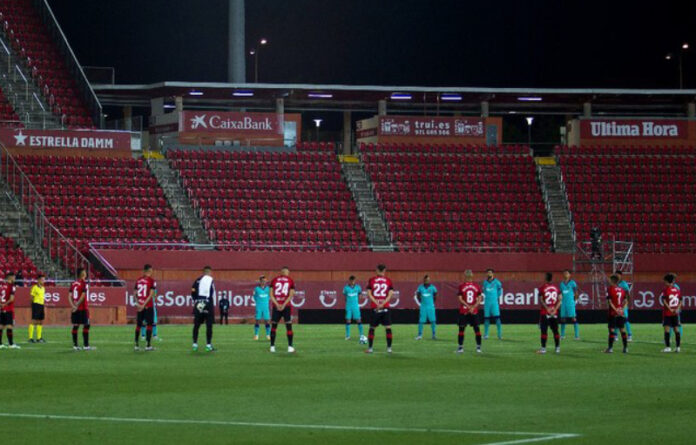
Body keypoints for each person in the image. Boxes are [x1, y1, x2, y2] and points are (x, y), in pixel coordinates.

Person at [365, 264, 394, 354]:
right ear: (384, 270)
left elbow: (369, 294)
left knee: (372, 328)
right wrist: (383, 303)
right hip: (385, 307)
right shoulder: (389, 281)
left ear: (377, 270)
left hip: (375, 307)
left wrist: (377, 303)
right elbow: (390, 294)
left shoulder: (372, 280)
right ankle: (389, 348)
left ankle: (370, 348)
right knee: (388, 328)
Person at [269, 267, 295, 353]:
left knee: (274, 326)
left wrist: (277, 304)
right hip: (286, 306)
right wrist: (283, 304)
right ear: (287, 272)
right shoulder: (290, 280)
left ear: (281, 272)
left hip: (276, 306)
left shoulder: (274, 280)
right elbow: (291, 295)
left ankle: (272, 347)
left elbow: (271, 294)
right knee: (288, 326)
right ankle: (290, 347)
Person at [456, 270, 483, 353]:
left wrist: (468, 307)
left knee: (461, 329)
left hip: (464, 310)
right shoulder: (476, 286)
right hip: (473, 311)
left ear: (465, 276)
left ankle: (460, 348)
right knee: (476, 329)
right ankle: (478, 348)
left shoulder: (461, 286)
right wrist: (473, 307)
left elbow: (460, 299)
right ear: (472, 276)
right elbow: (480, 299)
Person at [191, 266, 215, 352]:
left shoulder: (197, 280)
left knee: (197, 324)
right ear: (210, 272)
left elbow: (193, 290)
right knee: (209, 325)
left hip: (199, 303)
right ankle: (208, 345)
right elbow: (212, 293)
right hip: (207, 303)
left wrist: (196, 300)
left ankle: (194, 344)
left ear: (203, 272)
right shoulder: (210, 279)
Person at [537, 272, 561, 354]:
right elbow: (560, 299)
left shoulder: (542, 288)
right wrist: (555, 309)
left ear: (546, 278)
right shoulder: (556, 288)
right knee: (555, 331)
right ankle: (557, 348)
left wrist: (547, 308)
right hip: (554, 313)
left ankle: (543, 349)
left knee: (544, 331)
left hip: (545, 312)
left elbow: (541, 300)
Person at [134, 264, 156, 351]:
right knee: (149, 324)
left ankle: (136, 345)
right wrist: (144, 305)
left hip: (140, 305)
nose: (152, 272)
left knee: (138, 325)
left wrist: (138, 303)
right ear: (149, 271)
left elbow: (134, 293)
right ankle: (148, 345)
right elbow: (151, 294)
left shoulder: (138, 280)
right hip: (148, 306)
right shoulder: (151, 281)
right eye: (151, 271)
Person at [605, 275, 629, 354]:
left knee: (611, 330)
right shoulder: (622, 290)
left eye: (610, 280)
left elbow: (610, 302)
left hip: (613, 313)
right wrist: (621, 309)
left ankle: (610, 348)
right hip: (620, 312)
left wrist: (615, 310)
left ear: (612, 281)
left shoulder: (610, 289)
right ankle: (625, 348)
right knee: (622, 329)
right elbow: (625, 301)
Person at [70, 268, 91, 351]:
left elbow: (69, 296)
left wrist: (73, 306)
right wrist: (77, 305)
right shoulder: (83, 283)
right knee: (87, 325)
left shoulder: (73, 283)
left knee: (76, 325)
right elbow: (83, 295)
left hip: (75, 308)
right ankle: (86, 346)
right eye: (85, 272)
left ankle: (75, 346)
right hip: (82, 308)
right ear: (82, 274)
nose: (86, 273)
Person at [660, 273, 682, 353]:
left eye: (665, 281)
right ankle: (678, 347)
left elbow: (664, 301)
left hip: (668, 313)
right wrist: (677, 309)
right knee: (676, 329)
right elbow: (680, 300)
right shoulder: (677, 289)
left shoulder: (666, 290)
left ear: (667, 281)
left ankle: (668, 347)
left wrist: (670, 309)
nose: (664, 283)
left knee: (667, 330)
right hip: (675, 313)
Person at [481, 269, 503, 340]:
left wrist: (496, 297)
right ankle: (486, 335)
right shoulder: (485, 283)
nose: (489, 274)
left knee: (497, 318)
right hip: (487, 302)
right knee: (486, 319)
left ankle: (499, 335)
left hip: (494, 303)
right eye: (488, 273)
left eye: (490, 272)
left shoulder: (497, 282)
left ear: (493, 274)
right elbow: (484, 291)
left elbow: (500, 291)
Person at [0, 272, 19, 349]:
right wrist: (5, 304)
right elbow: (11, 299)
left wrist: (1, 304)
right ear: (10, 277)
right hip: (8, 309)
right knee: (9, 326)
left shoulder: (1, 286)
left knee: (1, 326)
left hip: (1, 309)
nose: (15, 278)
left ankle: (0, 344)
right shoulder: (12, 286)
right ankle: (11, 344)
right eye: (14, 277)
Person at [415, 275, 437, 340]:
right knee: (421, 321)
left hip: (431, 307)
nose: (427, 280)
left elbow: (435, 295)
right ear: (424, 280)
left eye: (428, 279)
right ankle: (419, 335)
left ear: (429, 280)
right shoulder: (420, 287)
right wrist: (421, 302)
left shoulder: (433, 287)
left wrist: (432, 303)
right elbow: (418, 295)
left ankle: (434, 335)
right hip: (423, 307)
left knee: (433, 321)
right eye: (426, 279)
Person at [559, 269, 580, 340]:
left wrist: (576, 300)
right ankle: (562, 335)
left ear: (569, 275)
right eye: (564, 273)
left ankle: (577, 336)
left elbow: (576, 292)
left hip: (570, 302)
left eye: (567, 273)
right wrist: (560, 300)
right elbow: (560, 293)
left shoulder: (572, 283)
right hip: (563, 303)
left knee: (573, 318)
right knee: (563, 319)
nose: (565, 274)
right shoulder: (561, 284)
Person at [343, 275, 364, 340]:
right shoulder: (346, 288)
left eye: (353, 281)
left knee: (358, 320)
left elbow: (360, 294)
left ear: (355, 281)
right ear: (349, 280)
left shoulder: (358, 287)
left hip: (355, 306)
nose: (352, 282)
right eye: (351, 281)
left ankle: (361, 335)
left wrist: (360, 297)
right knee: (348, 320)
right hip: (348, 306)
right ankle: (347, 336)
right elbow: (345, 296)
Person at [614, 271, 633, 342]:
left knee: (625, 320)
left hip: (623, 304)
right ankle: (615, 335)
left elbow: (628, 295)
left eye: (618, 275)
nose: (616, 276)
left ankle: (630, 335)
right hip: (617, 304)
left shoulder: (624, 284)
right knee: (616, 319)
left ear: (621, 275)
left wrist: (626, 304)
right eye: (615, 275)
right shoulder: (614, 284)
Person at [28, 274, 46, 343]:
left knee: (40, 321)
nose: (43, 281)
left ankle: (39, 338)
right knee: (34, 321)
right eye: (42, 279)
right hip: (36, 305)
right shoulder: (34, 287)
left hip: (41, 305)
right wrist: (32, 305)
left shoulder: (43, 288)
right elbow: (31, 297)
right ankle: (30, 338)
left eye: (44, 279)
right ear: (38, 280)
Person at [253, 275, 271, 340]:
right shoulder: (256, 289)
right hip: (259, 307)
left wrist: (266, 301)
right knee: (257, 320)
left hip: (266, 307)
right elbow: (254, 297)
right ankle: (256, 335)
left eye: (265, 281)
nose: (264, 282)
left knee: (267, 321)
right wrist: (259, 302)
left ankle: (268, 335)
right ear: (260, 281)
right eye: (262, 281)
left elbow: (270, 296)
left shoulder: (268, 288)